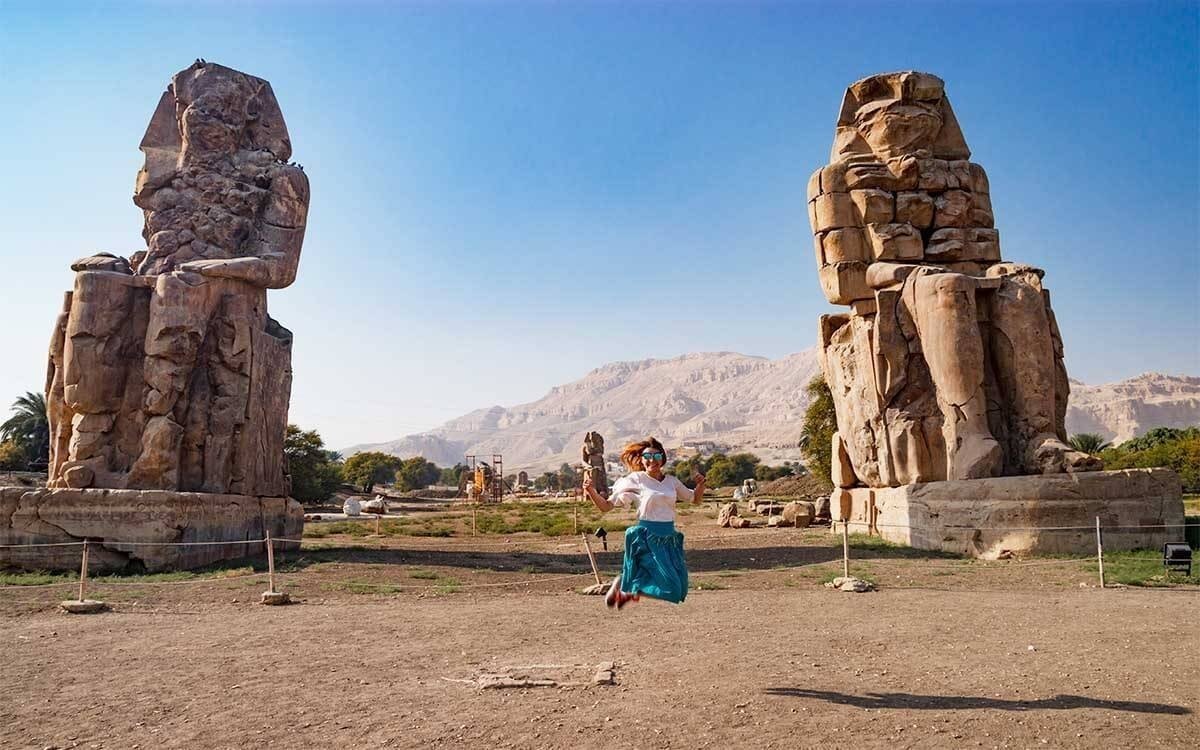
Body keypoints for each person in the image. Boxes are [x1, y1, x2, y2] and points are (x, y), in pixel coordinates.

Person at [582, 437, 705, 609]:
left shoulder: (671, 481)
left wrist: (700, 485)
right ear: (641, 460)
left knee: (681, 588)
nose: (651, 461)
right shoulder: (635, 480)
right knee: (671, 586)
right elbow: (606, 506)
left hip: (669, 538)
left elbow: (694, 499)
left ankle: (627, 586)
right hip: (647, 537)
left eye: (656, 456)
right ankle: (628, 587)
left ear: (662, 458)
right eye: (647, 456)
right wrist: (591, 491)